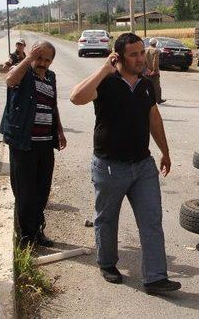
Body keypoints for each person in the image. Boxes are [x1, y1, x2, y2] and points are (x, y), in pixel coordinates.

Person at [70, 32, 181, 295]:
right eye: (134, 54)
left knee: (151, 221)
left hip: (143, 165)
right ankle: (107, 263)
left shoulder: (145, 85)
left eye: (142, 53)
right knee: (107, 220)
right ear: (118, 57)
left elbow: (154, 117)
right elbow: (76, 97)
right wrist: (103, 69)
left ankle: (155, 277)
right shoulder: (106, 83)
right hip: (109, 167)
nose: (141, 58)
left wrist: (165, 151)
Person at [0, 40, 67, 247]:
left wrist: (60, 130)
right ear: (32, 55)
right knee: (24, 191)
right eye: (39, 57)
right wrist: (28, 58)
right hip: (23, 143)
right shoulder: (22, 71)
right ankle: (26, 236)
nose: (42, 63)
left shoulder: (50, 77)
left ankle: (37, 230)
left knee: (42, 190)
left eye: (47, 60)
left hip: (45, 143)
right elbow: (10, 80)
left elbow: (52, 105)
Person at [144, 37, 165, 104]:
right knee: (156, 87)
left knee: (147, 86)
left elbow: (143, 61)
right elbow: (155, 61)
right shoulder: (156, 50)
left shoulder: (145, 50)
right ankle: (158, 100)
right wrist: (155, 70)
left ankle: (147, 99)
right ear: (155, 43)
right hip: (154, 73)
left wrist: (146, 69)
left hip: (146, 72)